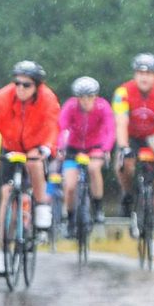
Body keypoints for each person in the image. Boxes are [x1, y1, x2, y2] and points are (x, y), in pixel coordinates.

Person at [0, 61, 60, 276]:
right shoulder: (1, 98)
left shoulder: (47, 98)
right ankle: (3, 252)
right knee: (6, 195)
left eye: (27, 85)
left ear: (37, 87)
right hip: (11, 146)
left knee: (33, 161)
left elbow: (53, 125)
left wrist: (48, 147)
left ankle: (41, 205)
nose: (21, 88)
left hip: (36, 146)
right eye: (17, 83)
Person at [113, 53, 154, 258]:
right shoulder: (122, 92)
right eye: (140, 73)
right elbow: (121, 122)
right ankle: (127, 193)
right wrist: (124, 147)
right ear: (135, 75)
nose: (144, 77)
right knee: (124, 162)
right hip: (131, 135)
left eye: (149, 73)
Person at [57, 76, 114, 234]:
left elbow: (110, 131)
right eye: (82, 97)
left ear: (96, 96)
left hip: (95, 147)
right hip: (73, 148)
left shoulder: (103, 107)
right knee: (69, 186)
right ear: (77, 98)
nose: (86, 101)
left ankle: (97, 207)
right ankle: (69, 218)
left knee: (94, 169)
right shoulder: (70, 107)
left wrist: (106, 149)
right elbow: (63, 129)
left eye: (90, 97)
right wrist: (61, 147)